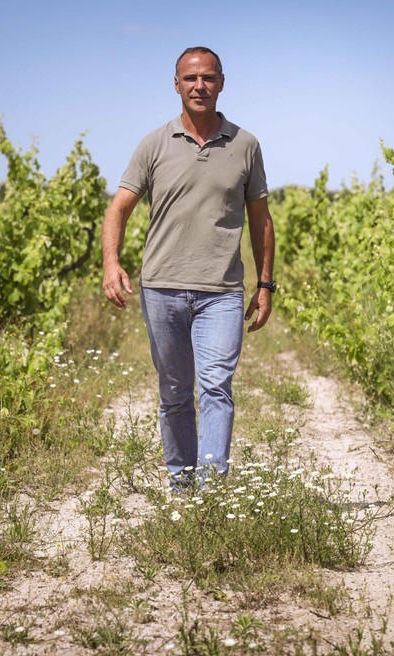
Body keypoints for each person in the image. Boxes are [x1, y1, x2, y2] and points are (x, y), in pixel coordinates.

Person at [101, 46, 276, 490]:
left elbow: (261, 219)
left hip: (221, 292)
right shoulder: (154, 144)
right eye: (191, 78)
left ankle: (213, 491)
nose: (200, 86)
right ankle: (182, 485)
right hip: (161, 289)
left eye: (209, 78)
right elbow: (119, 208)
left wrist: (266, 284)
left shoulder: (246, 145)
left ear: (222, 82)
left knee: (215, 387)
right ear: (176, 84)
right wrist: (111, 263)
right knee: (176, 394)